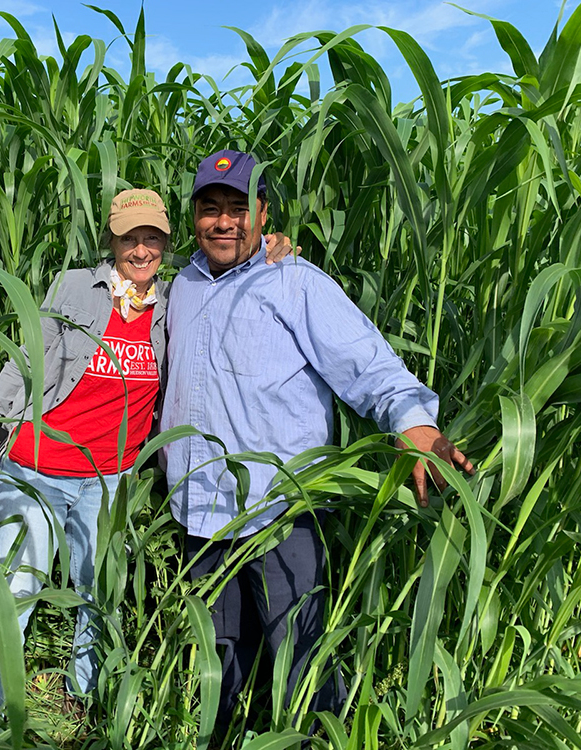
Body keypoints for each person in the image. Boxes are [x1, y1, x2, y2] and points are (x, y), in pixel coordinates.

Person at [160, 150, 474, 726]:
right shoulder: (181, 285)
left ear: (262, 212)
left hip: (281, 512)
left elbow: (365, 362)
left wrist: (415, 423)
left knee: (301, 670)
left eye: (237, 207)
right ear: (194, 216)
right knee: (218, 671)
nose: (224, 221)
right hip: (199, 515)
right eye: (210, 208)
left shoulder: (295, 280)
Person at [0, 188, 296, 709]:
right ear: (112, 242)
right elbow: (27, 356)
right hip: (37, 466)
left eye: (152, 238)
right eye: (129, 239)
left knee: (101, 596)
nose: (141, 251)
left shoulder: (177, 296)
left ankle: (84, 703)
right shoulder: (74, 287)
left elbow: (229, 265)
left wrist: (271, 246)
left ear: (166, 241)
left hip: (109, 479)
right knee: (14, 594)